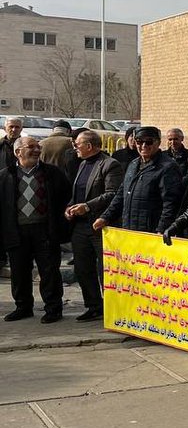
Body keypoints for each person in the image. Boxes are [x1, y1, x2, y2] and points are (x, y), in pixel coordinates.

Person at [0, 137, 69, 323]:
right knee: (19, 271)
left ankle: (53, 308)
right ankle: (23, 307)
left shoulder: (52, 173)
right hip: (17, 231)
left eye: (38, 147)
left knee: (49, 271)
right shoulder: (5, 176)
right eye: (31, 147)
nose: (37, 150)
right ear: (18, 152)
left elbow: (65, 198)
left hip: (45, 231)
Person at [64, 130, 122, 322]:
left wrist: (88, 207)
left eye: (78, 145)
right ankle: (93, 305)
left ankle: (113, 307)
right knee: (82, 267)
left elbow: (112, 193)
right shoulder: (81, 164)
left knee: (105, 268)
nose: (75, 148)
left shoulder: (109, 164)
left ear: (89, 146)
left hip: (99, 225)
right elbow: (78, 193)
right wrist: (70, 207)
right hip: (80, 226)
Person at [95, 127, 184, 236]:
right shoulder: (133, 164)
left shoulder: (168, 167)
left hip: (152, 231)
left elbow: (171, 203)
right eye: (139, 142)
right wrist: (106, 217)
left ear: (158, 143)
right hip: (129, 228)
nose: (143, 146)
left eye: (148, 142)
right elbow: (121, 195)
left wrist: (162, 228)